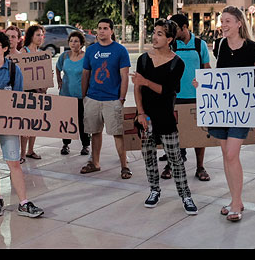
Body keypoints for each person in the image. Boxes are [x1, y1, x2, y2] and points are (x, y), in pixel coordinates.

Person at [195, 6, 255, 222]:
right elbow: (220, 76)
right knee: (227, 156)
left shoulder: (252, 48)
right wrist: (204, 85)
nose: (222, 25)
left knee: (232, 154)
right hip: (222, 109)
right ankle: (236, 200)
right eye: (221, 21)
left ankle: (236, 203)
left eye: (227, 21)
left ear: (239, 23)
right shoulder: (221, 45)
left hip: (241, 111)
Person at [0, 31, 44, 218]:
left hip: (8, 124)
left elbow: (19, 99)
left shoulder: (14, 70)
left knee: (14, 162)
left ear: (4, 48)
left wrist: (22, 123)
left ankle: (23, 202)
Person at [132, 19, 198, 215]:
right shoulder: (143, 59)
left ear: (169, 39)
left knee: (176, 159)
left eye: (160, 34)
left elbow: (168, 91)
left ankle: (185, 195)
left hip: (166, 117)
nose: (154, 37)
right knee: (149, 157)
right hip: (146, 118)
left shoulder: (177, 63)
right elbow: (137, 88)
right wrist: (140, 113)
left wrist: (145, 81)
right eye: (154, 32)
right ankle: (154, 190)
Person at [161, 13, 212, 182]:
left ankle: (200, 167)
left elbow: (206, 67)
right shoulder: (171, 44)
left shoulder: (200, 44)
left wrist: (207, 88)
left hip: (196, 96)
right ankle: (171, 164)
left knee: (199, 134)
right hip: (174, 96)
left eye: (174, 29)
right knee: (173, 134)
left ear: (184, 28)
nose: (171, 32)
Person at [80, 18, 132, 179]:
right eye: (99, 28)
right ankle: (95, 163)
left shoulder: (120, 50)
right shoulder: (91, 50)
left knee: (117, 133)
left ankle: (124, 166)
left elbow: (124, 77)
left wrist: (121, 99)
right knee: (95, 132)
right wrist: (84, 97)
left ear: (111, 31)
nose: (101, 31)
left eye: (105, 28)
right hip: (93, 98)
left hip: (112, 99)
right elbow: (86, 74)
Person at [56, 30, 90, 155]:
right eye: (71, 41)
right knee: (66, 120)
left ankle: (85, 145)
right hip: (66, 94)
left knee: (82, 121)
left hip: (81, 95)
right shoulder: (64, 56)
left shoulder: (86, 57)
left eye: (76, 41)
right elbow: (58, 67)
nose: (73, 43)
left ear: (81, 43)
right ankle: (65, 144)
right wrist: (59, 80)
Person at [19, 24, 46, 162]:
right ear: (31, 36)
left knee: (35, 123)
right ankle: (22, 153)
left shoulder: (41, 53)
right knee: (25, 124)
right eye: (37, 35)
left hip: (39, 92)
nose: (40, 38)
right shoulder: (24, 52)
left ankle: (31, 150)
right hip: (27, 92)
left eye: (41, 35)